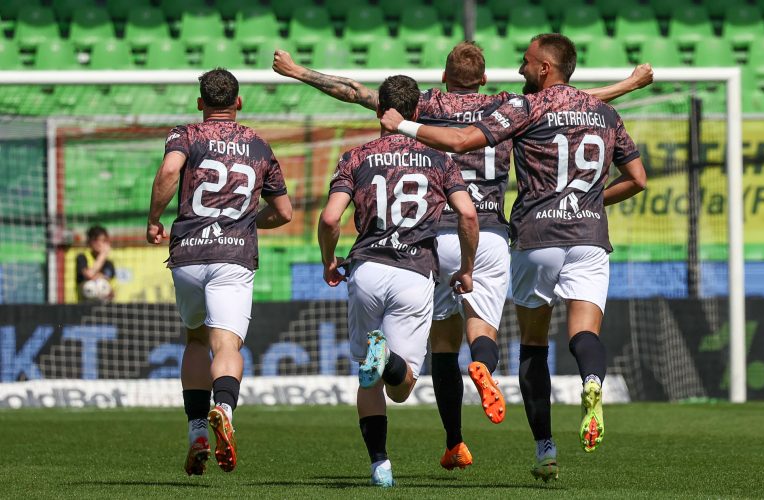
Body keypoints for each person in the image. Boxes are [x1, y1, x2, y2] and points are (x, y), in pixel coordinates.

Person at [274, 44, 652, 470]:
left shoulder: (426, 104)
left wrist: (297, 71)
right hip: (485, 231)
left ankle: (455, 441)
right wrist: (630, 84)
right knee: (483, 330)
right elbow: (566, 102)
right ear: (485, 79)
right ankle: (486, 367)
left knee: (442, 343)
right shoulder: (508, 103)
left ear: (443, 75)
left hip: (433, 235)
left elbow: (353, 90)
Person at [380, 34, 648, 482]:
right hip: (584, 234)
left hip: (529, 235)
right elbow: (637, 179)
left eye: (526, 61)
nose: (520, 68)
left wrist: (402, 124)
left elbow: (464, 139)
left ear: (544, 68)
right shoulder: (602, 112)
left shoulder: (525, 108)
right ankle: (592, 382)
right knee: (584, 333)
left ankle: (541, 447)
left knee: (529, 346)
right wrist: (589, 202)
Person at [317, 74, 479, 487]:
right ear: (417, 112)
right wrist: (466, 268)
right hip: (414, 272)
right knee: (401, 386)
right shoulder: (441, 160)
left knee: (366, 377)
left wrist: (327, 262)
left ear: (379, 110)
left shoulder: (356, 156)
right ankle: (387, 358)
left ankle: (380, 465)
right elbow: (468, 215)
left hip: (367, 268)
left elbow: (331, 218)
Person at [146, 68, 292, 476]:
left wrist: (154, 218)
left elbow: (171, 171)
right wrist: (246, 221)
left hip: (188, 254)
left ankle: (196, 431)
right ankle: (224, 409)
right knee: (225, 345)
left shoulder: (185, 135)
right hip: (233, 256)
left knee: (194, 340)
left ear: (200, 103)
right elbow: (284, 213)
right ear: (238, 103)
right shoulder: (259, 145)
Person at [76, 225, 115, 302]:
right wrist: (103, 255)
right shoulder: (82, 257)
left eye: (103, 240)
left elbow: (111, 289)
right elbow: (89, 274)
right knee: (90, 285)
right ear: (89, 242)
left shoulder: (109, 263)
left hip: (105, 304)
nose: (99, 243)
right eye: (96, 240)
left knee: (101, 284)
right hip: (84, 304)